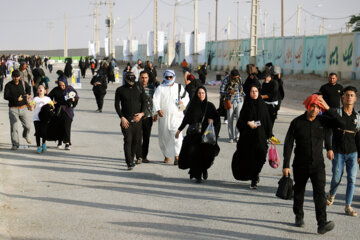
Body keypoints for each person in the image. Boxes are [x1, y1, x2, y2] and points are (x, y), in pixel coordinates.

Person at [283, 94, 335, 234]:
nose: (315, 109)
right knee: (299, 192)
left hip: (318, 165)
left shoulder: (323, 122)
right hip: (300, 164)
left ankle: (322, 223)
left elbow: (338, 122)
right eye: (312, 106)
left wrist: (327, 107)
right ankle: (299, 216)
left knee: (320, 194)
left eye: (318, 107)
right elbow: (288, 144)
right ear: (307, 106)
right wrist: (286, 165)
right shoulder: (296, 122)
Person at [324, 86, 360, 217]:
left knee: (351, 179)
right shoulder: (336, 113)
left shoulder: (357, 116)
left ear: (355, 98)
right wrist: (329, 148)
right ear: (342, 97)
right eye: (347, 95)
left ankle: (348, 206)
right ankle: (332, 194)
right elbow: (327, 131)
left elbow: (358, 136)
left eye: (352, 95)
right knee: (336, 178)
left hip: (353, 152)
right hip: (338, 152)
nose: (349, 97)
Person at [176, 86, 220, 183]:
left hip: (206, 137)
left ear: (205, 94)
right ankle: (198, 175)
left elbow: (217, 119)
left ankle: (204, 169)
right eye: (199, 93)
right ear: (196, 94)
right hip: (194, 136)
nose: (201, 95)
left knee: (207, 156)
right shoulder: (192, 106)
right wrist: (179, 130)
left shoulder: (210, 106)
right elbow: (186, 119)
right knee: (194, 154)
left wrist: (212, 120)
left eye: (203, 93)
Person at [231, 85, 272, 189]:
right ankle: (254, 178)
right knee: (249, 159)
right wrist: (248, 123)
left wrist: (270, 135)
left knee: (262, 156)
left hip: (260, 138)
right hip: (248, 139)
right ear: (249, 93)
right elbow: (240, 122)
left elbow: (268, 122)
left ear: (258, 92)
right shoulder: (246, 106)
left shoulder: (263, 106)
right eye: (252, 91)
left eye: (256, 91)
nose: (254, 93)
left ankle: (256, 174)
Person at [153, 70, 190, 165]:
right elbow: (155, 99)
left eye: (171, 77)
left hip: (177, 117)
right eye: (167, 77)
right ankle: (167, 155)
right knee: (164, 137)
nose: (169, 79)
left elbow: (186, 97)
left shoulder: (179, 87)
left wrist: (182, 103)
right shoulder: (160, 88)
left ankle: (177, 156)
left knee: (177, 136)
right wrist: (157, 110)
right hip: (164, 117)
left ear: (173, 77)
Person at [115, 72, 146, 170]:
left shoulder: (139, 88)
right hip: (126, 120)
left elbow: (145, 102)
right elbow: (116, 105)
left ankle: (131, 159)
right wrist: (122, 117)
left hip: (137, 120)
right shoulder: (120, 90)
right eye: (129, 80)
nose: (131, 82)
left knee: (136, 142)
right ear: (125, 79)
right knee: (128, 140)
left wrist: (141, 114)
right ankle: (129, 162)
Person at [48, 76, 79, 150]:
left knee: (67, 126)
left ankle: (67, 143)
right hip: (58, 110)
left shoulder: (70, 89)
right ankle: (60, 141)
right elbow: (49, 97)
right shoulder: (56, 90)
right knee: (59, 126)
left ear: (66, 83)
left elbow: (76, 97)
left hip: (68, 111)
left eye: (63, 85)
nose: (62, 87)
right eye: (60, 85)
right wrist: (51, 102)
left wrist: (74, 100)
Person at [3, 70, 32, 150]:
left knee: (28, 126)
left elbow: (29, 88)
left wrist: (28, 94)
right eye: (14, 77)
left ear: (19, 76)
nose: (16, 78)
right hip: (13, 109)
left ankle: (25, 135)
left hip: (23, 108)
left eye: (17, 76)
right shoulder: (8, 85)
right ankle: (15, 144)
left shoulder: (23, 83)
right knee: (14, 128)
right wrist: (16, 99)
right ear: (12, 77)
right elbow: (5, 96)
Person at [220, 69, 245, 143]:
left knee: (239, 119)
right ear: (232, 76)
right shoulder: (226, 79)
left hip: (239, 101)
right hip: (230, 101)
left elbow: (242, 89)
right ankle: (231, 137)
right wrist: (229, 92)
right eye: (235, 77)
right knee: (230, 120)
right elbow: (221, 91)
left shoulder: (239, 78)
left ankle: (237, 137)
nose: (236, 78)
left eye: (237, 77)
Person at [136, 71, 156, 164]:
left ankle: (144, 156)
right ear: (139, 78)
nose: (144, 79)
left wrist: (154, 113)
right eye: (142, 77)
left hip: (148, 116)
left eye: (145, 77)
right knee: (137, 137)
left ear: (148, 78)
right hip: (137, 116)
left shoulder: (152, 88)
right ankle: (138, 156)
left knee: (146, 137)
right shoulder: (136, 87)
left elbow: (154, 101)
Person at [33, 85, 53, 153]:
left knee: (44, 131)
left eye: (42, 88)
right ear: (37, 91)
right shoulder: (35, 99)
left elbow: (52, 106)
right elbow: (31, 106)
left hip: (44, 118)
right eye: (39, 88)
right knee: (37, 132)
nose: (40, 88)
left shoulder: (48, 99)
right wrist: (30, 103)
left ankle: (44, 143)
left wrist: (51, 108)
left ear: (45, 90)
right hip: (36, 118)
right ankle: (38, 147)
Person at [261, 70, 279, 135]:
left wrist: (263, 96)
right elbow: (262, 92)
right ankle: (267, 135)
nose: (264, 79)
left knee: (271, 121)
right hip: (265, 104)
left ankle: (269, 135)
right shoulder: (264, 83)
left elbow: (273, 94)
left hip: (273, 105)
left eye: (265, 78)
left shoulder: (275, 83)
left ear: (269, 77)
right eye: (263, 78)